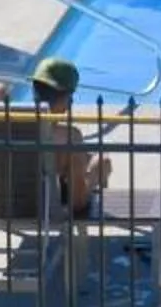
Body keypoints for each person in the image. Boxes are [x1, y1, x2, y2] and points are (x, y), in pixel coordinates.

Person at [27, 56, 113, 218]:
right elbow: (78, 203)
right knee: (102, 162)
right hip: (43, 210)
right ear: (65, 98)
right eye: (70, 98)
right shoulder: (70, 138)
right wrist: (94, 176)